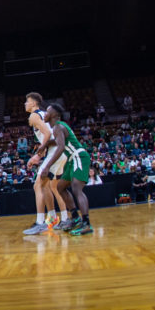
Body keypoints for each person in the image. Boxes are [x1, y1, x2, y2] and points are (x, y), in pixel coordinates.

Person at [41, 104, 94, 234]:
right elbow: (59, 141)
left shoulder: (58, 127)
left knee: (76, 188)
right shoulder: (58, 127)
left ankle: (86, 223)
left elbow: (60, 147)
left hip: (79, 156)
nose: (45, 114)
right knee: (60, 187)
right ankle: (75, 218)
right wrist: (45, 145)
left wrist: (47, 166)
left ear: (54, 115)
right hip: (72, 159)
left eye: (47, 112)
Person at [23, 92, 62, 235]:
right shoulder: (44, 113)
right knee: (47, 186)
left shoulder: (33, 116)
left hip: (54, 150)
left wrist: (37, 155)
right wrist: (39, 156)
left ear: (34, 103)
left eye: (27, 101)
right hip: (57, 149)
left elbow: (47, 134)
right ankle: (54, 218)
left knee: (38, 185)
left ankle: (40, 222)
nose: (25, 104)